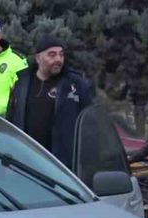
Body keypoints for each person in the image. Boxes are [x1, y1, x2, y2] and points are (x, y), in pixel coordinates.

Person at [6, 35, 93, 169]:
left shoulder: (75, 85)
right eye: (52, 55)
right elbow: (11, 120)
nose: (58, 59)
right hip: (27, 161)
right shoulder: (22, 84)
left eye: (61, 55)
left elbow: (89, 122)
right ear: (38, 58)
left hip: (63, 164)